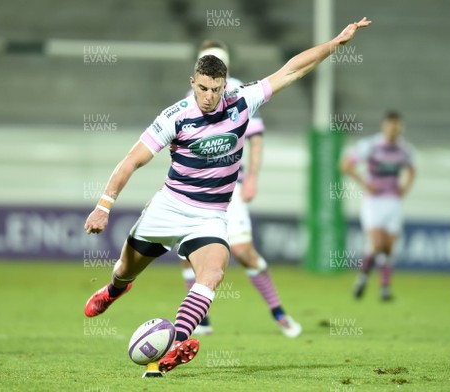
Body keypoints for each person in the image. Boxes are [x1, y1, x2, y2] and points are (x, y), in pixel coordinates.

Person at [84, 17, 372, 374]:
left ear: (225, 85)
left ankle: (174, 345)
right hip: (169, 207)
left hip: (210, 216)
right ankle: (114, 289)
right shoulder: (175, 117)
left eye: (215, 89)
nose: (208, 96)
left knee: (214, 273)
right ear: (193, 83)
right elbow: (131, 161)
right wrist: (103, 205)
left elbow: (293, 69)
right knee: (126, 271)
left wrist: (336, 43)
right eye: (202, 88)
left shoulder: (242, 102)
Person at [178, 39, 301, 338]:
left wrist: (254, 177)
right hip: (195, 191)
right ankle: (201, 319)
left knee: (244, 251)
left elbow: (256, 138)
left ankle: (278, 312)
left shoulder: (239, 92)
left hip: (229, 188)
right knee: (189, 254)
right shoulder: (191, 97)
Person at [340, 111, 416, 301]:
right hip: (373, 202)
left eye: (397, 125)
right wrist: (365, 183)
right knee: (378, 242)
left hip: (393, 202)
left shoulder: (404, 149)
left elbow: (412, 170)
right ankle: (383, 287)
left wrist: (405, 187)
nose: (394, 129)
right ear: (384, 126)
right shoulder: (370, 145)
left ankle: (367, 280)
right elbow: (345, 165)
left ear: (401, 127)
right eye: (391, 125)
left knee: (388, 247)